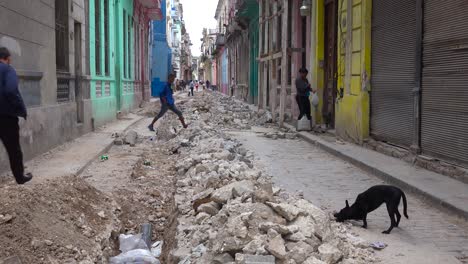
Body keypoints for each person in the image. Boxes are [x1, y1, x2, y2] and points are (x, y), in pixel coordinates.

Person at [0, 47, 33, 184]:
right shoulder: (8, 70)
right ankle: (20, 177)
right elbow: (11, 90)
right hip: (6, 117)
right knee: (13, 149)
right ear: (7, 58)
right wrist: (20, 108)